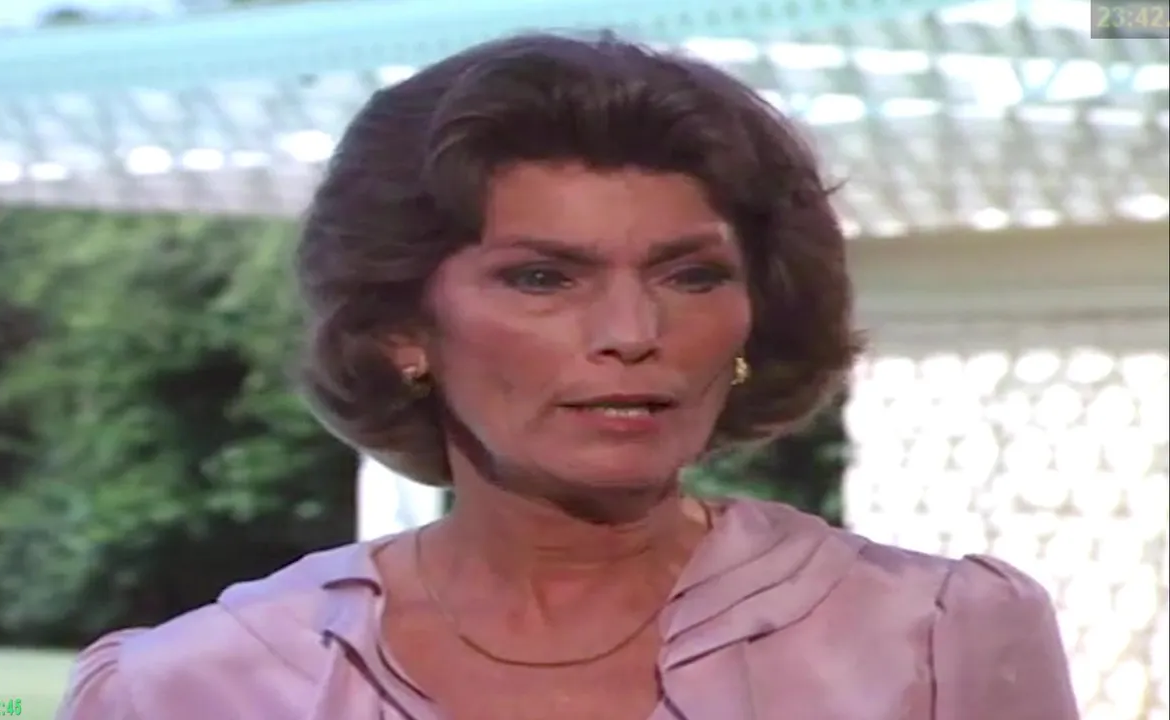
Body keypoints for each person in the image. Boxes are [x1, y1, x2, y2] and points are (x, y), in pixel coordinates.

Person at [56, 33, 1079, 720]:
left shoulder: (933, 637)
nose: (632, 333)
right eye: (543, 278)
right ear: (402, 327)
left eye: (690, 275)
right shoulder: (197, 689)